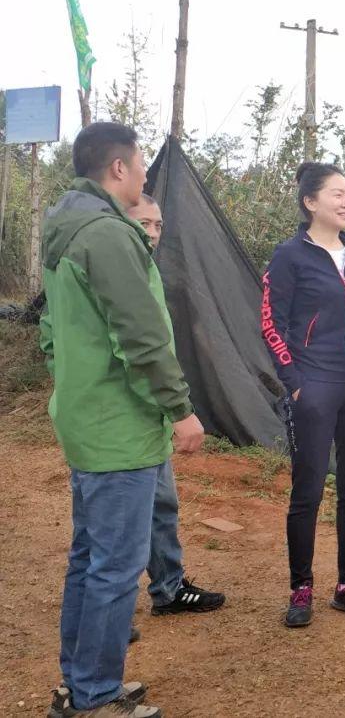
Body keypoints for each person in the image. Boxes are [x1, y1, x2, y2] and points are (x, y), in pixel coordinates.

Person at [40, 122, 204, 718]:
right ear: (118, 169)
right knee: (114, 567)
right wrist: (180, 410)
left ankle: (78, 682)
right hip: (119, 426)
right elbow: (140, 337)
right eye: (139, 165)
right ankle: (95, 696)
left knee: (90, 558)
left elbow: (57, 332)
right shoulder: (108, 236)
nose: (142, 175)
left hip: (86, 418)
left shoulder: (64, 228)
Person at [261, 162, 345, 628]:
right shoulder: (289, 256)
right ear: (310, 202)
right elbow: (270, 323)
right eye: (337, 194)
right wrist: (295, 383)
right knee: (309, 490)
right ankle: (301, 589)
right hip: (315, 385)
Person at [126, 193, 226, 617]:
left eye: (157, 224)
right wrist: (178, 409)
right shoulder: (121, 270)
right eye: (142, 223)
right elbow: (142, 349)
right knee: (121, 518)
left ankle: (168, 587)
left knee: (161, 503)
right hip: (125, 417)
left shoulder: (143, 267)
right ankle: (106, 612)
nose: (151, 233)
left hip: (147, 415)